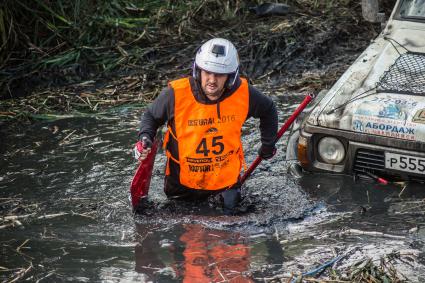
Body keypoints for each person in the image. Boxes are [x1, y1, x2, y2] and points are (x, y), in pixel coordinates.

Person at [134, 38, 278, 214]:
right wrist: (145, 137)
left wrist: (268, 144)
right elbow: (151, 116)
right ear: (198, 71)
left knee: (231, 230)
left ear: (231, 76)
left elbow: (269, 109)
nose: (212, 80)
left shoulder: (244, 94)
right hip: (181, 184)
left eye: (219, 74)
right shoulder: (175, 94)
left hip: (226, 184)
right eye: (207, 73)